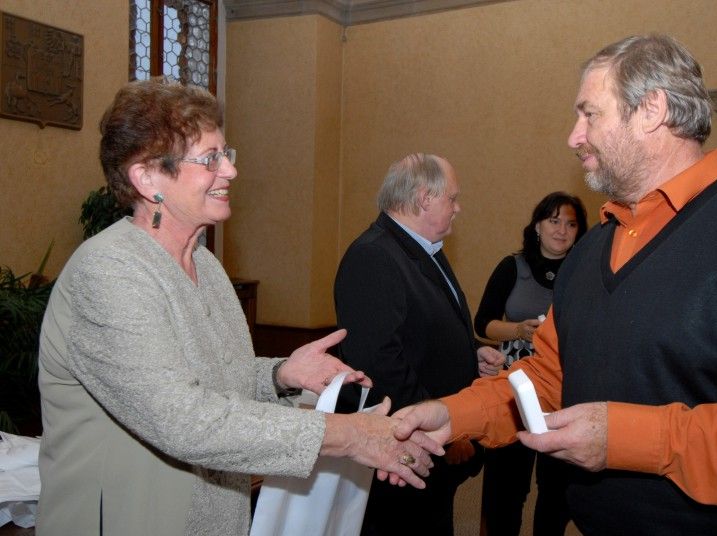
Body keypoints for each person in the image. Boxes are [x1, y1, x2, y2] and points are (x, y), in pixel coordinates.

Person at [395, 33, 717, 535]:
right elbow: (547, 380)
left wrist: (625, 437)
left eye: (590, 114)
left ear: (651, 110)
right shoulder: (589, 253)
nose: (574, 136)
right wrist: (453, 416)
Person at [35, 78, 442, 536]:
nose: (229, 171)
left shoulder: (204, 263)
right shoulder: (108, 271)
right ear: (147, 177)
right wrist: (347, 435)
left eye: (226, 155)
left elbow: (215, 377)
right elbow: (180, 417)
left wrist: (280, 375)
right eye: (210, 159)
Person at [334, 153, 505, 536]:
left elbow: (424, 327)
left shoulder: (424, 249)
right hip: (408, 445)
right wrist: (439, 428)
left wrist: (471, 349)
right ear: (425, 197)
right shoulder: (374, 255)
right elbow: (380, 363)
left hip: (431, 442)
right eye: (453, 199)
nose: (458, 208)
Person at [474, 191, 587, 536]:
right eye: (554, 221)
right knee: (506, 488)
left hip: (564, 392)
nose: (561, 230)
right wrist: (518, 330)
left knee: (556, 491)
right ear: (537, 226)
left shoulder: (585, 271)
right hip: (514, 390)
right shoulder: (513, 266)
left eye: (571, 224)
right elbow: (483, 323)